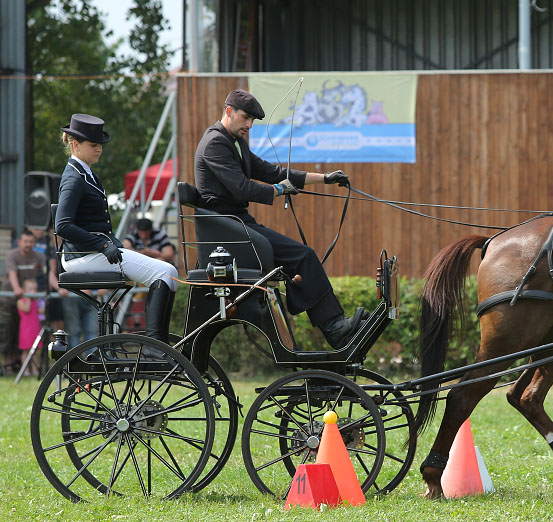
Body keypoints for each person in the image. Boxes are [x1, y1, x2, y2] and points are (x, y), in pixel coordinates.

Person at [193, 89, 367, 349]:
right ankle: (335, 328)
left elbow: (272, 171)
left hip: (239, 226)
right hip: (227, 232)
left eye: (253, 120)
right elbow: (242, 188)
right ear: (229, 112)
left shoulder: (236, 142)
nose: (250, 125)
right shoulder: (215, 143)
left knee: (301, 257)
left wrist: (325, 178)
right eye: (246, 118)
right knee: (303, 256)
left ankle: (335, 327)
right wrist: (279, 190)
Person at [56, 113, 180, 346]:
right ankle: (155, 346)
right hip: (84, 255)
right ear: (75, 145)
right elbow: (62, 225)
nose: (99, 149)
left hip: (94, 252)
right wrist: (102, 245)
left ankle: (159, 343)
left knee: (170, 273)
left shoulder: (87, 173)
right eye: (93, 145)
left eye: (100, 145)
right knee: (165, 273)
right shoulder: (74, 178)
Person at [1, 231, 45, 373]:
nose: (28, 245)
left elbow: (47, 271)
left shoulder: (38, 256)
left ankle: (22, 363)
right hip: (11, 299)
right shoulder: (12, 255)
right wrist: (18, 289)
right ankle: (9, 363)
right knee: (9, 331)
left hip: (30, 300)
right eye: (25, 241)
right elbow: (12, 273)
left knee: (26, 332)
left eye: (31, 242)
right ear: (20, 242)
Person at [17, 278, 43, 375]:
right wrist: (27, 297)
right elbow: (27, 309)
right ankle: (26, 370)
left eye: (34, 289)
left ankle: (35, 369)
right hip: (26, 329)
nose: (33, 291)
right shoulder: (21, 301)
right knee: (26, 350)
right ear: (24, 290)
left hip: (35, 327)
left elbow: (41, 311)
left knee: (35, 350)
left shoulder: (35, 301)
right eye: (30, 289)